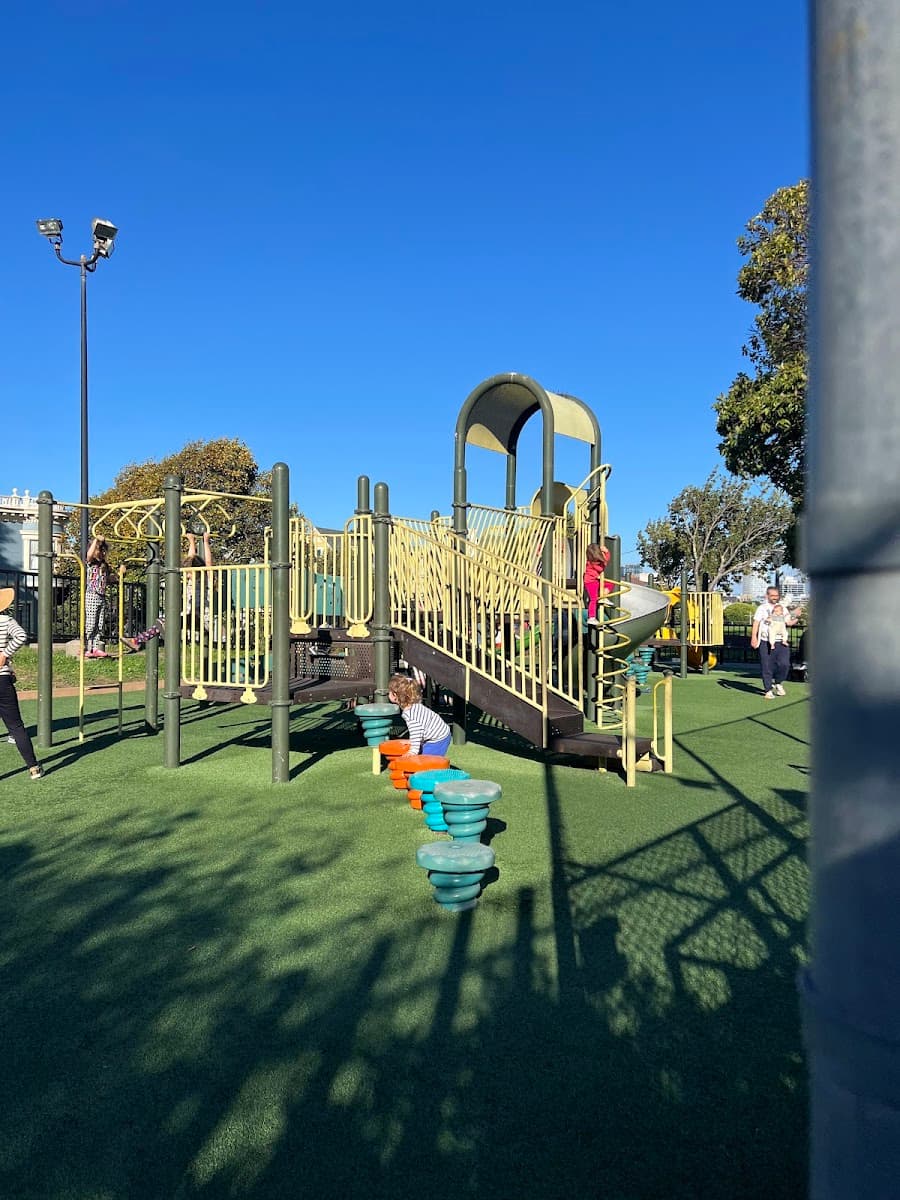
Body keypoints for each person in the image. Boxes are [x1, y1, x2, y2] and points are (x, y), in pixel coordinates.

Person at [121, 531, 212, 651]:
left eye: (189, 573)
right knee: (161, 623)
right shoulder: (190, 581)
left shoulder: (205, 579)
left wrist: (205, 541)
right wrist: (191, 541)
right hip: (189, 617)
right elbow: (191, 558)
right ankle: (137, 641)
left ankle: (166, 636)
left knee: (165, 621)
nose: (187, 575)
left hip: (200, 618)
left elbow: (208, 563)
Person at [0, 588, 44, 779]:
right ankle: (33, 768)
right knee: (16, 726)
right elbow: (21, 636)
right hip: (2, 679)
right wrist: (5, 655)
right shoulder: (6, 620)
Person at [750, 586, 803, 699]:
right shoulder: (762, 608)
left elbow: (788, 622)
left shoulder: (783, 608)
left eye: (777, 596)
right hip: (766, 641)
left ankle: (778, 682)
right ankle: (768, 689)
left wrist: (796, 616)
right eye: (772, 596)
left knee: (785, 664)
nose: (775, 598)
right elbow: (756, 623)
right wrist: (754, 637)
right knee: (766, 666)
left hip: (781, 642)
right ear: (767, 596)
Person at [388, 672, 452, 758]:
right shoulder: (414, 705)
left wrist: (412, 752)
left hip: (439, 738)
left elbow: (416, 732)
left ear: (395, 695)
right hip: (437, 733)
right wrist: (411, 741)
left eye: (389, 692)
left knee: (426, 760)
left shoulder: (411, 715)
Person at [84, 536, 112, 658]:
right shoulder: (91, 562)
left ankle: (95, 648)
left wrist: (121, 574)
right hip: (92, 594)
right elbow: (89, 555)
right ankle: (87, 647)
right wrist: (96, 540)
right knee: (91, 623)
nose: (102, 553)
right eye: (100, 550)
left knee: (99, 624)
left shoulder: (104, 565)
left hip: (101, 595)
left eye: (103, 551)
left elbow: (109, 579)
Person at [583, 542, 614, 627]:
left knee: (610, 584)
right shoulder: (592, 563)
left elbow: (606, 560)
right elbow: (602, 565)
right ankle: (591, 617)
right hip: (589, 582)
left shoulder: (595, 561)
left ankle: (603, 597)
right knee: (593, 599)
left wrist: (606, 551)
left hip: (595, 580)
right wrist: (605, 555)